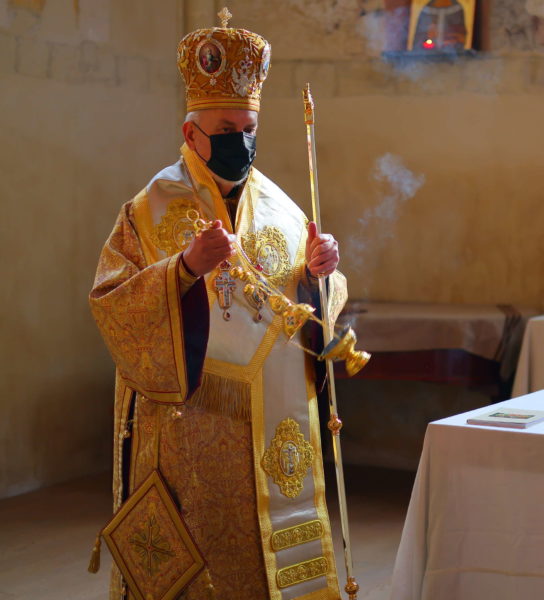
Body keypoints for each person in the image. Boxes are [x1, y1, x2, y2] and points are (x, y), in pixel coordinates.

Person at [90, 8, 348, 600]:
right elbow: (111, 303)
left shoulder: (286, 210)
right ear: (191, 135)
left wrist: (321, 274)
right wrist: (182, 269)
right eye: (228, 128)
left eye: (250, 128)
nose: (242, 142)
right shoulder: (149, 209)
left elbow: (313, 313)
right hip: (194, 427)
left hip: (276, 423)